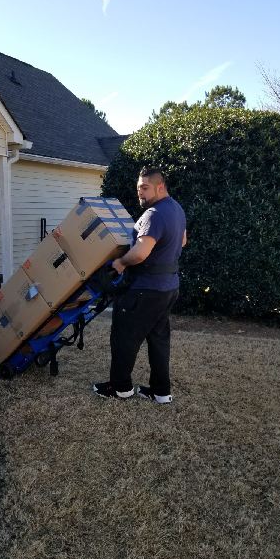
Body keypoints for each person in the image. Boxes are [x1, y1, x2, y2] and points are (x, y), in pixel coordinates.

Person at [93, 167, 186, 403]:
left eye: (145, 188)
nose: (140, 193)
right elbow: (182, 241)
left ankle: (120, 388)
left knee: (124, 336)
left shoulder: (154, 214)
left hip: (146, 289)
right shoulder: (176, 209)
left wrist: (121, 262)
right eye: (138, 189)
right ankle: (160, 392)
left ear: (160, 186)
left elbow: (141, 253)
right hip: (168, 288)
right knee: (158, 339)